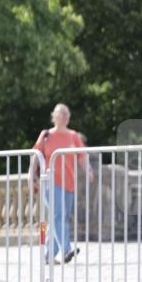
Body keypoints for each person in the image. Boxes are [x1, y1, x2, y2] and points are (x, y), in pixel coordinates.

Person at [30, 104, 94, 264]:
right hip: (50, 182)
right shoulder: (46, 135)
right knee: (58, 215)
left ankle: (48, 255)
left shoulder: (74, 136)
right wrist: (30, 177)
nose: (64, 116)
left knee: (59, 218)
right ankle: (66, 249)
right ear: (54, 116)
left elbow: (82, 156)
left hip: (69, 183)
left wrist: (89, 170)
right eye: (61, 113)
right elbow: (36, 155)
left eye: (67, 114)